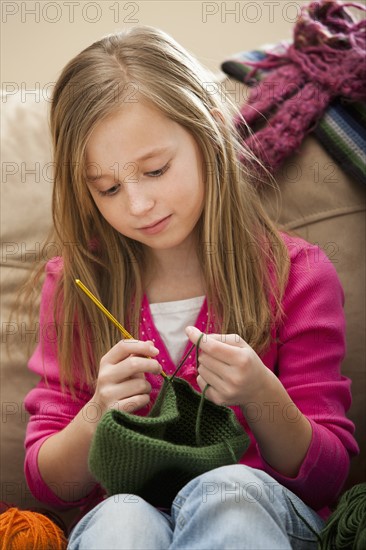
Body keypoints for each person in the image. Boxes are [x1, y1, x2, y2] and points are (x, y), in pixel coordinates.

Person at [21, 25, 359, 549]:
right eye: (108, 188)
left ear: (209, 137)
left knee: (228, 489)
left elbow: (327, 476)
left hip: (258, 509)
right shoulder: (75, 286)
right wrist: (96, 415)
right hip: (125, 518)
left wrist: (262, 395)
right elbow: (50, 484)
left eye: (155, 170)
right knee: (123, 519)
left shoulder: (297, 274)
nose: (137, 205)